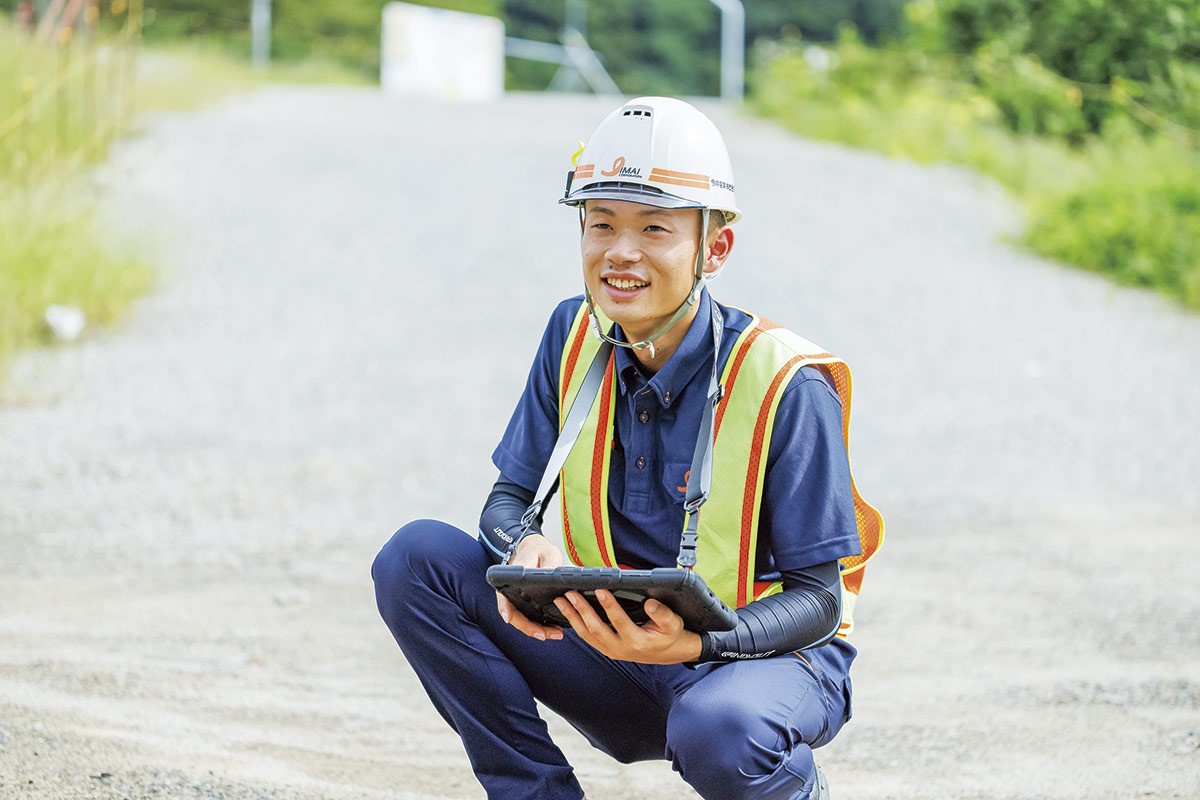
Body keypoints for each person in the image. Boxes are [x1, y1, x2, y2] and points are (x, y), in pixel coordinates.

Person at [372, 96, 883, 800]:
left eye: (654, 228)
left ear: (716, 247)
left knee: (720, 728)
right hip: (615, 648)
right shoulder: (573, 333)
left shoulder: (783, 382)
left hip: (755, 666)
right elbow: (510, 499)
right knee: (414, 559)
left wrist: (702, 644)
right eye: (601, 223)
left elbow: (819, 602)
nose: (621, 252)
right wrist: (521, 543)